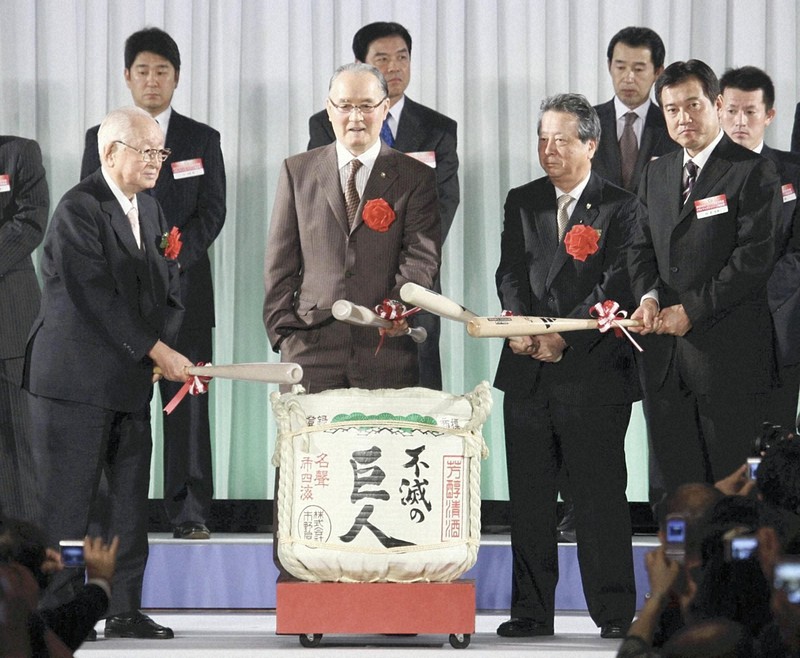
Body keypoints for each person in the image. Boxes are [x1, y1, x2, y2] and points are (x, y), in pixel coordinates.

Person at [24, 106, 194, 640]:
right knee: (70, 508)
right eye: (144, 150)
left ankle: (121, 606)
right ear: (109, 151)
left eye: (160, 152)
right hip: (73, 386)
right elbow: (94, 294)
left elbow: (170, 288)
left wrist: (159, 350)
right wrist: (155, 350)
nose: (155, 161)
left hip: (127, 382)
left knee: (127, 505)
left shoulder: (155, 211)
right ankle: (59, 607)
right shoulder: (80, 208)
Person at [494, 93, 641, 640]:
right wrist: (522, 326)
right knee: (529, 498)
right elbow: (509, 271)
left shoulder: (620, 205)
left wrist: (563, 337)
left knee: (599, 495)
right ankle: (532, 612)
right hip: (528, 367)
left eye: (560, 139)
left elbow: (618, 284)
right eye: (541, 138)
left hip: (592, 370)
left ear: (591, 144)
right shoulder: (522, 199)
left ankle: (613, 613)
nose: (548, 150)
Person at [80, 27, 226, 542]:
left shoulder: (201, 138)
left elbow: (213, 211)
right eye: (142, 70)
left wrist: (174, 261)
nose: (152, 80)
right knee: (119, 406)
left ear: (177, 78)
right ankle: (121, 514)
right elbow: (93, 209)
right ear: (127, 76)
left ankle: (189, 511)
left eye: (162, 71)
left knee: (187, 400)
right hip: (125, 302)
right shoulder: (102, 137)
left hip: (185, 294)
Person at [628, 59, 782, 496]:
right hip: (664, 361)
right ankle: (678, 565)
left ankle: (734, 568)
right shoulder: (655, 173)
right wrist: (649, 298)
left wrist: (691, 310)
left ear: (716, 104)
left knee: (734, 492)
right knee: (679, 493)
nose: (683, 118)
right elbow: (638, 247)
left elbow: (754, 259)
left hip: (728, 360)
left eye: (693, 105)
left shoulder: (752, 170)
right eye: (672, 109)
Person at [264, 62, 440, 393]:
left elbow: (421, 256)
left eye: (366, 106)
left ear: (385, 108)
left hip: (385, 344)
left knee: (385, 444)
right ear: (329, 110)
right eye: (345, 106)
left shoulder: (415, 176)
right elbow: (280, 262)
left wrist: (396, 311)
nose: (355, 117)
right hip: (310, 347)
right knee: (309, 446)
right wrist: (283, 334)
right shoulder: (297, 171)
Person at [307, 21, 457, 390]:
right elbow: (328, 201)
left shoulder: (438, 128)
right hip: (349, 280)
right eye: (383, 58)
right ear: (362, 65)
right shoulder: (327, 124)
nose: (395, 67)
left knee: (415, 390)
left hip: (413, 279)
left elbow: (445, 202)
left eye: (402, 57)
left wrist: (407, 260)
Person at [718, 66, 800, 432]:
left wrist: (753, 290)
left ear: (769, 115)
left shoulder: (794, 171)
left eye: (750, 111)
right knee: (721, 441)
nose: (740, 121)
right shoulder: (696, 173)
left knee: (774, 441)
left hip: (776, 323)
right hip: (713, 325)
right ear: (718, 108)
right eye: (732, 110)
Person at [0, 137, 49, 523]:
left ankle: (28, 564)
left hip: (9, 322)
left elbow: (30, 221)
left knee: (21, 448)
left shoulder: (18, 153)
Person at [592, 27, 679, 192]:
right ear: (609, 66)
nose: (628, 77)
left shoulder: (672, 123)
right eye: (620, 67)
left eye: (638, 69)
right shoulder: (586, 121)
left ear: (658, 72)